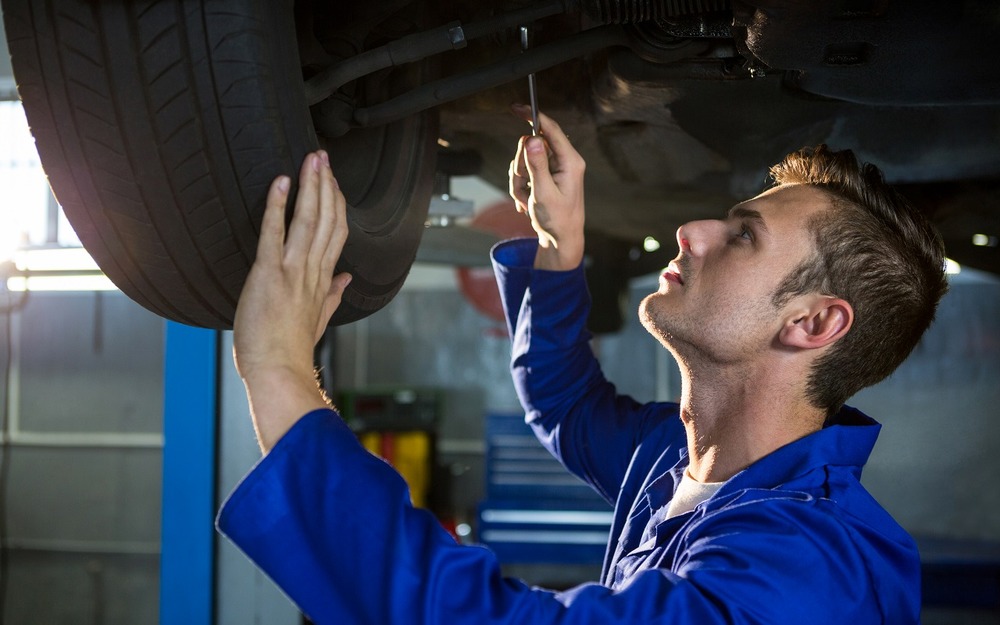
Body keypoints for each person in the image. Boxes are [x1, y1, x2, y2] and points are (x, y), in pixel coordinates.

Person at [217, 107, 947, 624]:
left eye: (743, 237)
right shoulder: (689, 459)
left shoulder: (803, 576)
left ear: (812, 323)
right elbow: (568, 403)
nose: (692, 230)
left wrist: (279, 370)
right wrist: (557, 252)